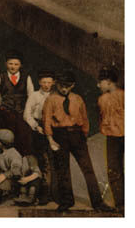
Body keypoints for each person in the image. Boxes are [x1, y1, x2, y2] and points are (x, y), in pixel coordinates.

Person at [42, 70, 107, 212]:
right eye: (61, 86)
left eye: (68, 86)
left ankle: (98, 203)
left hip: (77, 136)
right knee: (63, 170)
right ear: (56, 84)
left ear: (73, 85)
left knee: (88, 169)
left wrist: (83, 135)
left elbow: (84, 119)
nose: (64, 89)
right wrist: (50, 140)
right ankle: (67, 202)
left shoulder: (78, 99)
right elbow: (46, 120)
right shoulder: (51, 99)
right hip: (60, 136)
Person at [0, 129, 42, 210]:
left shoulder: (14, 154)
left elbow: (16, 171)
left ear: (0, 143)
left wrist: (4, 175)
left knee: (4, 185)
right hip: (3, 182)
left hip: (14, 182)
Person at [23, 70, 57, 204]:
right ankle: (41, 194)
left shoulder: (56, 95)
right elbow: (27, 114)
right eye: (44, 82)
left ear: (53, 83)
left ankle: (52, 194)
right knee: (41, 161)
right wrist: (36, 126)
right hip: (38, 129)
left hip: (54, 129)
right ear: (39, 82)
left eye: (49, 82)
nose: (46, 85)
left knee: (52, 162)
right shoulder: (34, 96)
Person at [0, 50, 35, 156]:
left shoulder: (27, 78)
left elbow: (31, 97)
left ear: (20, 65)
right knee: (7, 141)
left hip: (22, 115)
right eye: (10, 63)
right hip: (6, 115)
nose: (13, 67)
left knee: (23, 141)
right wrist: (5, 108)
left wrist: (26, 112)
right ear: (6, 64)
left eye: (16, 64)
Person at [97, 67, 124, 211]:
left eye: (100, 82)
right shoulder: (125, 95)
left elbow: (102, 120)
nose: (98, 85)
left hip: (113, 138)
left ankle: (121, 204)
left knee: (114, 170)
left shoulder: (103, 99)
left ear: (108, 82)